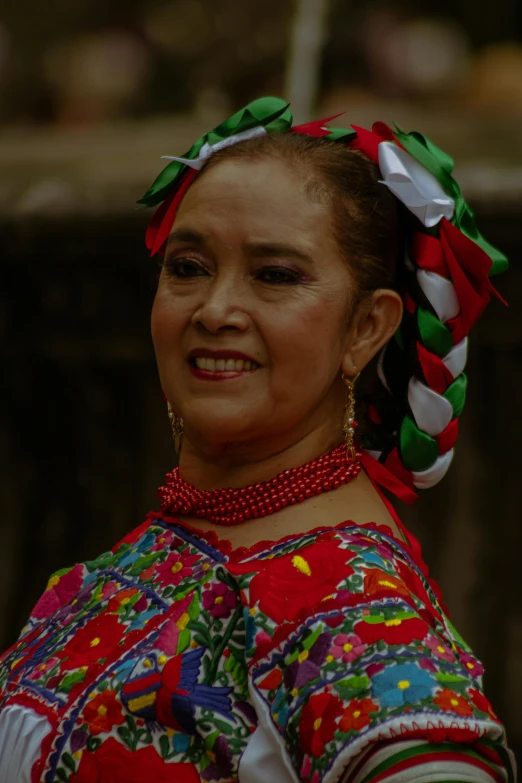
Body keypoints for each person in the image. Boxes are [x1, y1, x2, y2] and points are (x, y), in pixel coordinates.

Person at [0, 97, 515, 783]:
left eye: (275, 275)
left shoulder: (355, 613)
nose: (214, 310)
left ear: (367, 326)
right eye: (188, 266)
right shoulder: (159, 549)